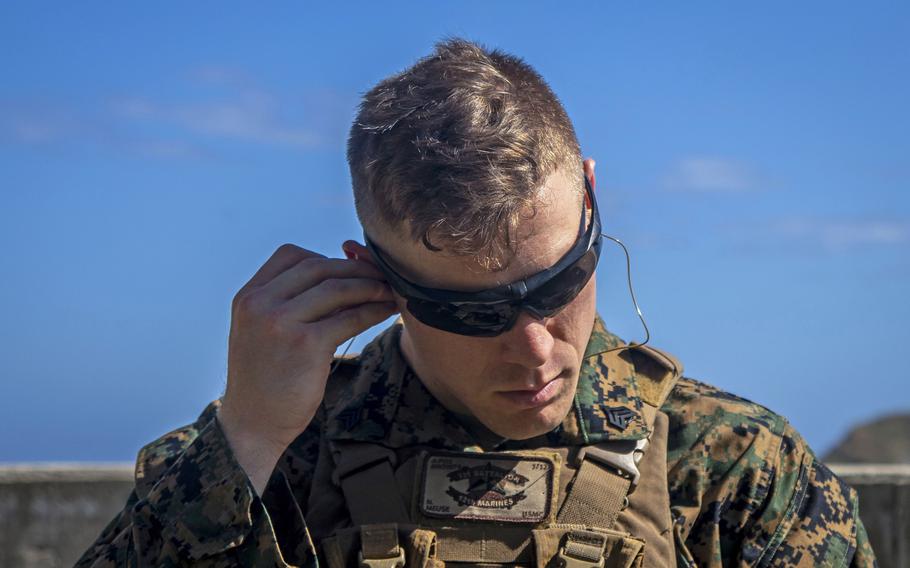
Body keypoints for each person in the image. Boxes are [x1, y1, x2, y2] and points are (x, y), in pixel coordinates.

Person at [76, 38, 876, 567]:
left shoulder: (733, 467)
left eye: (558, 284)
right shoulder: (269, 463)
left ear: (591, 196)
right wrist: (242, 438)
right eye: (475, 313)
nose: (534, 349)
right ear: (375, 277)